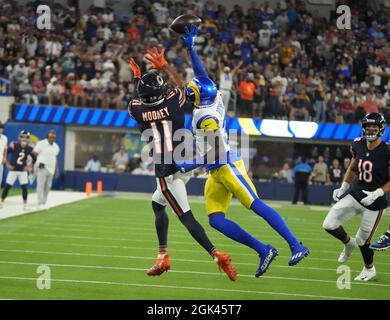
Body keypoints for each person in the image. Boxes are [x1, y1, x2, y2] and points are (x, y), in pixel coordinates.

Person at [177, 25, 309, 278]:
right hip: (217, 171)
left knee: (256, 205)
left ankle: (296, 245)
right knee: (216, 220)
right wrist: (191, 49)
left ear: (197, 97)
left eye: (190, 92)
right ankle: (264, 250)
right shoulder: (212, 96)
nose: (188, 93)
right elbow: (202, 77)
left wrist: (188, 165)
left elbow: (214, 151)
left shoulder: (206, 118)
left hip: (225, 164)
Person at [128, 50, 237, 281]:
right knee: (157, 204)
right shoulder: (173, 101)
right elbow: (185, 86)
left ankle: (217, 255)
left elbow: (137, 97)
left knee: (186, 217)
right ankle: (162, 256)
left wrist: (137, 78)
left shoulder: (136, 109)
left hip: (167, 169)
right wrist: (165, 67)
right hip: (186, 158)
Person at [323, 113, 390, 281]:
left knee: (363, 241)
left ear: (381, 128)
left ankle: (369, 269)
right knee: (329, 224)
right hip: (355, 194)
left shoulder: (386, 150)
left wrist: (378, 193)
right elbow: (353, 168)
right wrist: (344, 186)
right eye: (368, 126)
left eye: (374, 126)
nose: (371, 129)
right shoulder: (358, 144)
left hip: (374, 203)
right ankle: (348, 242)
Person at [0, 130, 36, 211]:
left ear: (28, 138)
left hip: (22, 171)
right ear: (20, 137)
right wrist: (8, 164)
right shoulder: (14, 145)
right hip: (13, 170)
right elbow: (4, 154)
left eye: (25, 137)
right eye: (22, 136)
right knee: (7, 187)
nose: (24, 138)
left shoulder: (30, 148)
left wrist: (30, 166)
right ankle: (1, 202)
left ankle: (25, 205)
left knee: (24, 188)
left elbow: (35, 158)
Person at [33, 130, 60, 210]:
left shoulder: (56, 146)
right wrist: (37, 162)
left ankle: (44, 203)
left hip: (51, 169)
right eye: (50, 137)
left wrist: (56, 169)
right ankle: (39, 203)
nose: (52, 138)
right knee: (40, 185)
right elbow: (34, 152)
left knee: (47, 187)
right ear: (47, 136)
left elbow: (55, 158)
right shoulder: (41, 143)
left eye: (53, 137)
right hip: (42, 166)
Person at [0, 122, 7, 187]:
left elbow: (5, 149)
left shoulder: (4, 138)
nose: (0, 130)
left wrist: (4, 157)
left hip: (0, 162)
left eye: (1, 128)